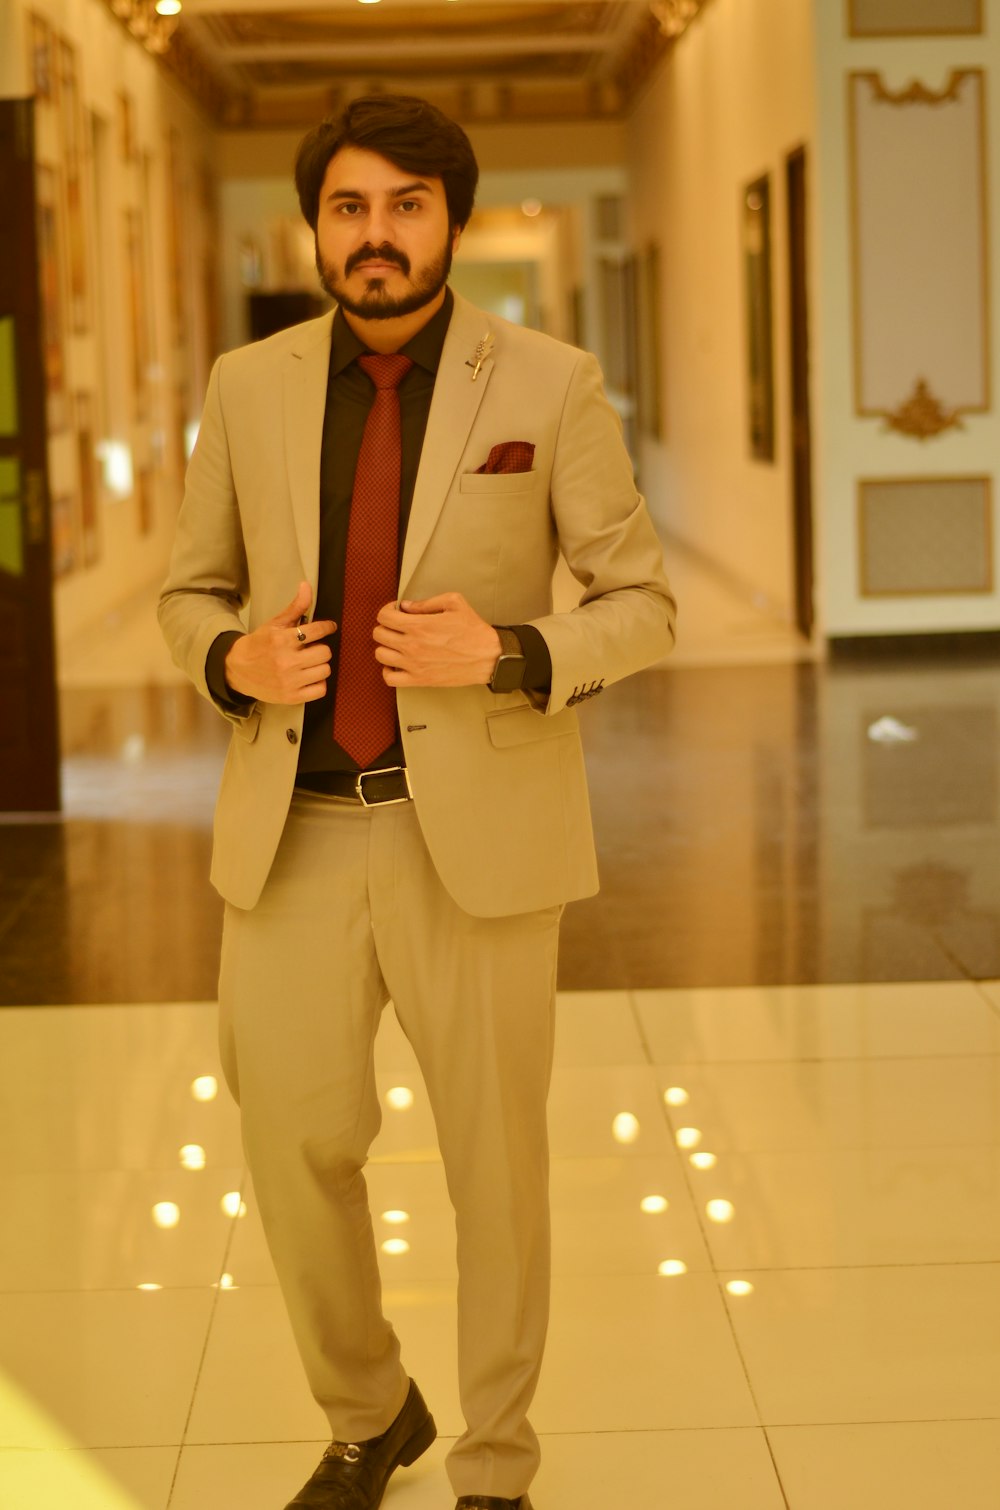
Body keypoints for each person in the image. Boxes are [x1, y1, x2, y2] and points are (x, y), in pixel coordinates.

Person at [159, 93, 675, 1510]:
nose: (374, 236)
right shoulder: (246, 383)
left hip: (484, 841)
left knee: (494, 1172)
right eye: (348, 207)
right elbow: (184, 588)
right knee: (290, 1139)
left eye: (403, 206)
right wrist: (229, 657)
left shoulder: (549, 383)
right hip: (296, 825)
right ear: (314, 223)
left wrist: (511, 651)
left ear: (450, 216)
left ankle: (495, 1465)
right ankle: (370, 1407)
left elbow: (644, 603)